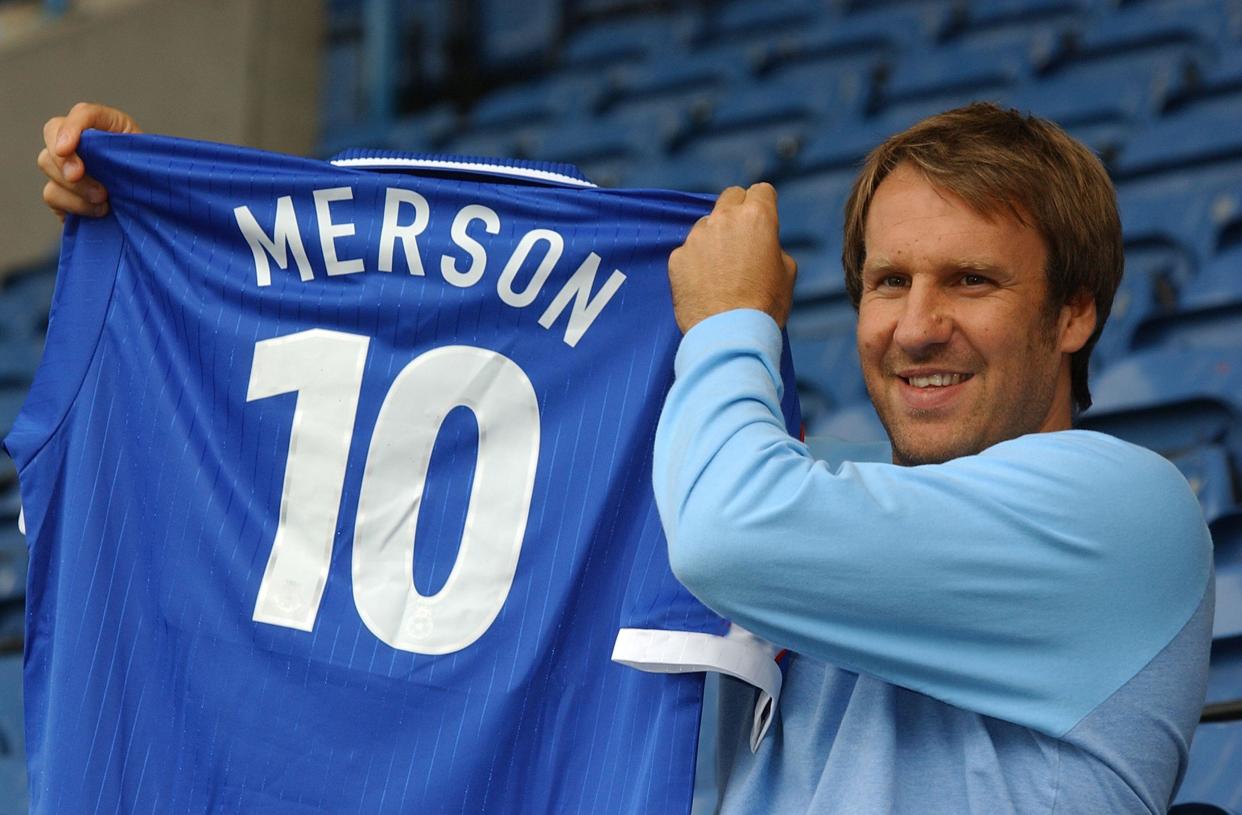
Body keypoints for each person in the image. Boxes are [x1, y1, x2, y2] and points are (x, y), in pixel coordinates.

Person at [39, 102, 1213, 814]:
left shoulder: (1126, 513)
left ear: (1076, 315)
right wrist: (182, 225)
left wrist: (728, 325)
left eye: (972, 280)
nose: (914, 324)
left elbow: (727, 531)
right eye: (886, 281)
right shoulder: (833, 519)